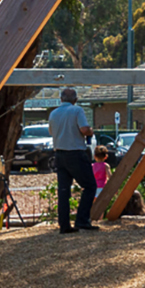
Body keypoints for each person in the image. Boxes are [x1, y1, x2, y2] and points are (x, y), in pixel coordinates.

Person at [48, 87, 98, 234]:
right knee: (89, 186)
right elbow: (83, 129)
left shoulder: (53, 113)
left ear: (61, 99)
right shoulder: (77, 111)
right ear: (75, 100)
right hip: (75, 153)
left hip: (59, 154)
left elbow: (51, 132)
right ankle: (82, 220)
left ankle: (64, 225)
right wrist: (90, 131)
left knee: (63, 190)